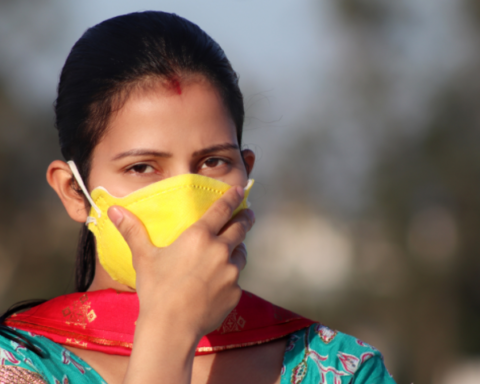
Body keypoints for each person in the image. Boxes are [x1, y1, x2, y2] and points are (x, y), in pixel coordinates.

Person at [0, 11, 396, 384]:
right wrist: (170, 329)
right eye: (142, 167)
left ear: (246, 174)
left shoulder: (340, 370)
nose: (187, 200)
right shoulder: (17, 365)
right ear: (74, 192)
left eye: (212, 161)